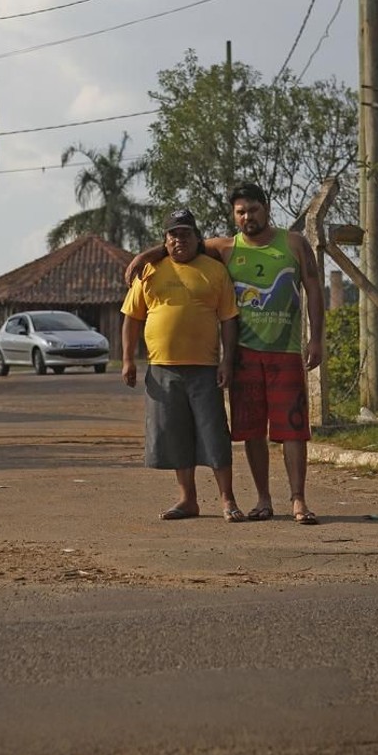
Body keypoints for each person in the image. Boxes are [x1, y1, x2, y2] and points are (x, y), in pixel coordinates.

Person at [125, 182, 324, 525]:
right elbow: (182, 244)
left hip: (285, 351)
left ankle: (298, 500)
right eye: (241, 212)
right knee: (252, 431)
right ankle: (263, 500)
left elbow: (314, 289)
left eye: (254, 209)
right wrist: (146, 255)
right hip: (245, 354)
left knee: (292, 430)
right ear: (234, 215)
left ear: (266, 208)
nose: (248, 217)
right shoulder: (226, 248)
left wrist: (316, 339)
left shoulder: (293, 243)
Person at [121, 207, 245, 523]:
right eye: (173, 234)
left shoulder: (214, 270)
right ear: (165, 240)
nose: (180, 240)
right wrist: (127, 360)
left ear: (196, 237)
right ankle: (188, 499)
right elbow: (132, 318)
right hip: (162, 368)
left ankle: (228, 500)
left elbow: (229, 319)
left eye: (186, 234)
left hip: (205, 368)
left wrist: (227, 361)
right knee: (175, 436)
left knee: (214, 434)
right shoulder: (150, 271)